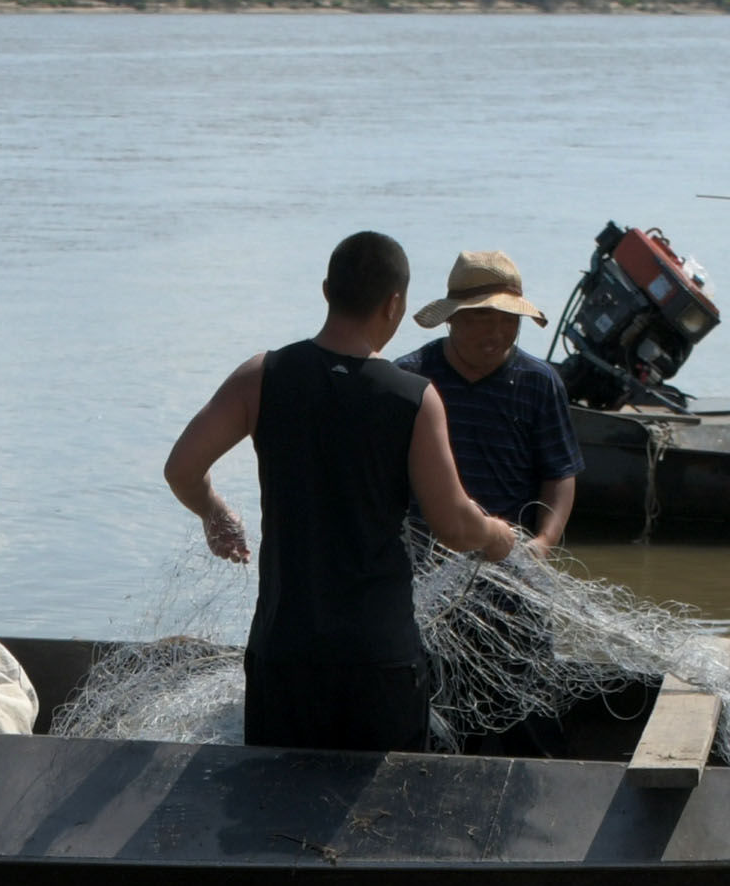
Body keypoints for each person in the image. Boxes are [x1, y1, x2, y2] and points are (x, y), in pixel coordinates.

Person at [158, 231, 529, 753]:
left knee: (271, 812)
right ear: (395, 303)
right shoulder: (415, 399)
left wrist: (213, 512)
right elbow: (453, 524)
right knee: (382, 822)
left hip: (284, 653)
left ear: (327, 291)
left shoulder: (261, 376)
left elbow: (182, 468)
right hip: (379, 659)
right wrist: (497, 535)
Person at [409, 248, 584, 555]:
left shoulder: (539, 383)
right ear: (452, 317)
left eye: (509, 319)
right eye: (482, 316)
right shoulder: (412, 377)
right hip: (425, 554)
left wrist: (544, 541)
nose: (497, 333)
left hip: (510, 556)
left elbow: (559, 473)